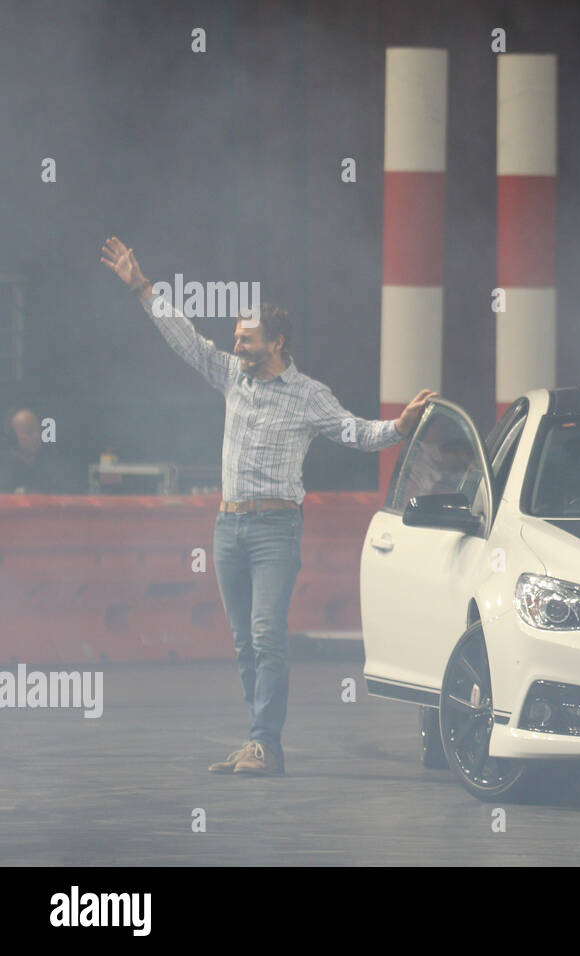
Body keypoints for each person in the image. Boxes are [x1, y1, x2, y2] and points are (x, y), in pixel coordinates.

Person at [100, 236, 436, 777]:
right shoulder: (232, 376)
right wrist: (142, 287)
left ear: (277, 342)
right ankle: (257, 740)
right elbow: (185, 340)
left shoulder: (307, 393)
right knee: (242, 643)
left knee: (265, 635)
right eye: (236, 336)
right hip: (228, 524)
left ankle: (265, 743)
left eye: (248, 338)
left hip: (275, 527)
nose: (237, 345)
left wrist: (397, 427)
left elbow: (352, 429)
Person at [0, 406, 70, 493]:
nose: (36, 436)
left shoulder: (49, 471)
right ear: (12, 437)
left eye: (38, 430)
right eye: (29, 432)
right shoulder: (4, 474)